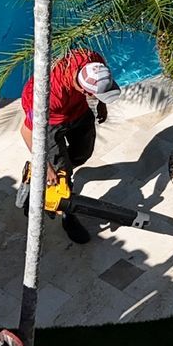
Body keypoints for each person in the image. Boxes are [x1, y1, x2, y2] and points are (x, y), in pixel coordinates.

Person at [18, 47, 120, 243]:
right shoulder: (46, 96)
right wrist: (45, 166)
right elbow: (27, 132)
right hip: (51, 122)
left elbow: (99, 85)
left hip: (79, 112)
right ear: (82, 89)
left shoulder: (92, 60)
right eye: (95, 95)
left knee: (83, 153)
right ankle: (68, 215)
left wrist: (101, 103)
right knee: (60, 175)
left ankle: (50, 176)